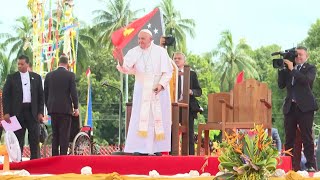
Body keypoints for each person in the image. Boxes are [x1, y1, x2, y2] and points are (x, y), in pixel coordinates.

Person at [113, 29, 173, 155]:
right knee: (140, 118)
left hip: (158, 91)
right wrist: (121, 60)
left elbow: (168, 71)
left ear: (151, 40)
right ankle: (141, 149)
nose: (140, 41)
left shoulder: (161, 52)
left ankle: (156, 149)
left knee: (157, 118)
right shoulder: (134, 52)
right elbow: (125, 68)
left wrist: (161, 85)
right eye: (139, 38)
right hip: (142, 89)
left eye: (143, 39)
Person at [278, 46, 318, 172]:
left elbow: (306, 80)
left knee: (307, 137)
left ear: (307, 56)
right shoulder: (289, 69)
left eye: (301, 54)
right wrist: (282, 69)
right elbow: (281, 85)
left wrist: (292, 69)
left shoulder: (310, 68)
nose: (298, 57)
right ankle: (288, 164)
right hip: (291, 107)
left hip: (305, 108)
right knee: (289, 138)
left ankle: (310, 165)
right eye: (297, 55)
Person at [2, 55, 44, 159]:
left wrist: (40, 112)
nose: (19, 66)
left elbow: (41, 96)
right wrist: (6, 112)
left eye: (22, 64)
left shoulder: (36, 77)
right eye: (18, 64)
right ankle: (17, 161)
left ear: (27, 64)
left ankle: (35, 161)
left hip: (32, 112)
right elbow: (6, 96)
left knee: (34, 138)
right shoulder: (12, 77)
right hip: (17, 113)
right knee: (17, 139)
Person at [44, 54, 79, 156]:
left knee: (55, 135)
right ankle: (63, 158)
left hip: (52, 110)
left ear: (58, 63)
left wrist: (48, 106)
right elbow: (73, 92)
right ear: (67, 64)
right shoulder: (70, 75)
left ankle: (54, 157)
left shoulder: (49, 75)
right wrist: (76, 107)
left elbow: (45, 93)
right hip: (65, 110)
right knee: (64, 135)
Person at [172, 52, 202, 155]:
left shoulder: (191, 74)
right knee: (172, 131)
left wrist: (191, 91)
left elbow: (199, 91)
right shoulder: (169, 73)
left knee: (189, 133)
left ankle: (190, 156)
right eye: (175, 58)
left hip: (188, 107)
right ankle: (172, 154)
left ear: (184, 61)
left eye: (179, 58)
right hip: (174, 107)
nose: (176, 60)